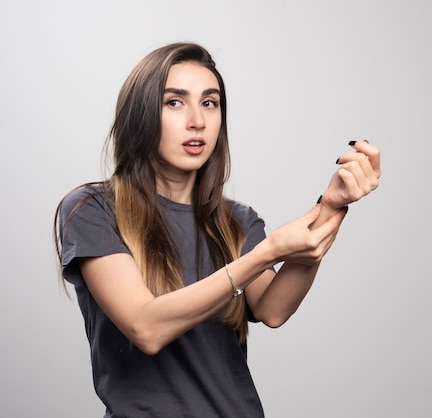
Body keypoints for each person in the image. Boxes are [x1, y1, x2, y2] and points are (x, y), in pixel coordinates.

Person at [53, 42, 380, 418]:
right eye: (174, 102)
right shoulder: (92, 209)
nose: (198, 121)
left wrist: (333, 205)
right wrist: (266, 253)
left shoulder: (237, 220)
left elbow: (273, 309)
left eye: (210, 102)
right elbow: (145, 327)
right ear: (139, 115)